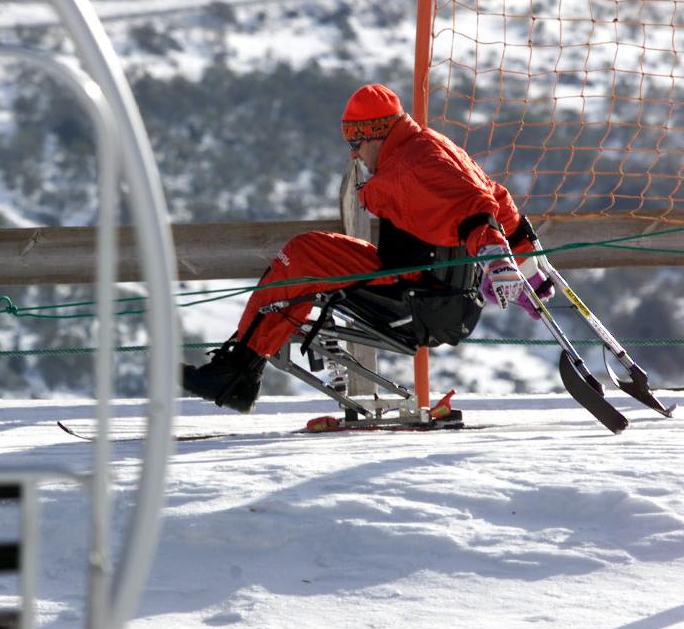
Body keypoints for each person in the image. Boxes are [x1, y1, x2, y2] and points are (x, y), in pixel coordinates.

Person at [182, 83, 554, 413]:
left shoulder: (411, 167)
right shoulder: (432, 147)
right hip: (439, 293)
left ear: (375, 134)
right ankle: (240, 371)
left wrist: (496, 258)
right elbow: (495, 198)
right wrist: (528, 264)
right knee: (309, 253)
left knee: (301, 256)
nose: (354, 155)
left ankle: (235, 374)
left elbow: (473, 208)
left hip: (414, 296)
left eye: (354, 144)